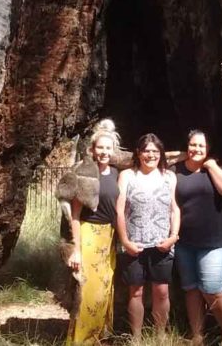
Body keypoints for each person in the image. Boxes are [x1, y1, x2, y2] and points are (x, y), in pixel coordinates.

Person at [173, 130, 222, 346]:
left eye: (201, 146)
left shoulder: (220, 169)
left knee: (211, 287)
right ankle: (197, 334)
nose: (196, 149)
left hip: (214, 243)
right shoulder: (177, 172)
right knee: (191, 288)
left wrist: (211, 166)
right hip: (185, 242)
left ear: (208, 149)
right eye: (192, 145)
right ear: (186, 147)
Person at [116, 133, 180, 338]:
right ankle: (136, 337)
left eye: (155, 151)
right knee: (136, 292)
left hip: (162, 243)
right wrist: (125, 241)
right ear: (138, 153)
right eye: (146, 151)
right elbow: (119, 210)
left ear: (161, 154)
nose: (150, 155)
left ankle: (160, 335)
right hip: (134, 244)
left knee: (161, 292)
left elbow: (174, 209)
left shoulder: (169, 177)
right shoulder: (127, 176)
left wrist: (173, 236)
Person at [65, 119, 121, 346]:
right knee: (88, 290)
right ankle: (81, 341)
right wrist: (75, 250)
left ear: (113, 150)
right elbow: (75, 216)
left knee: (106, 288)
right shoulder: (85, 174)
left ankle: (100, 337)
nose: (104, 152)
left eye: (108, 148)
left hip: (109, 237)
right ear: (93, 150)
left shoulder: (117, 173)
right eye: (101, 147)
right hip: (89, 235)